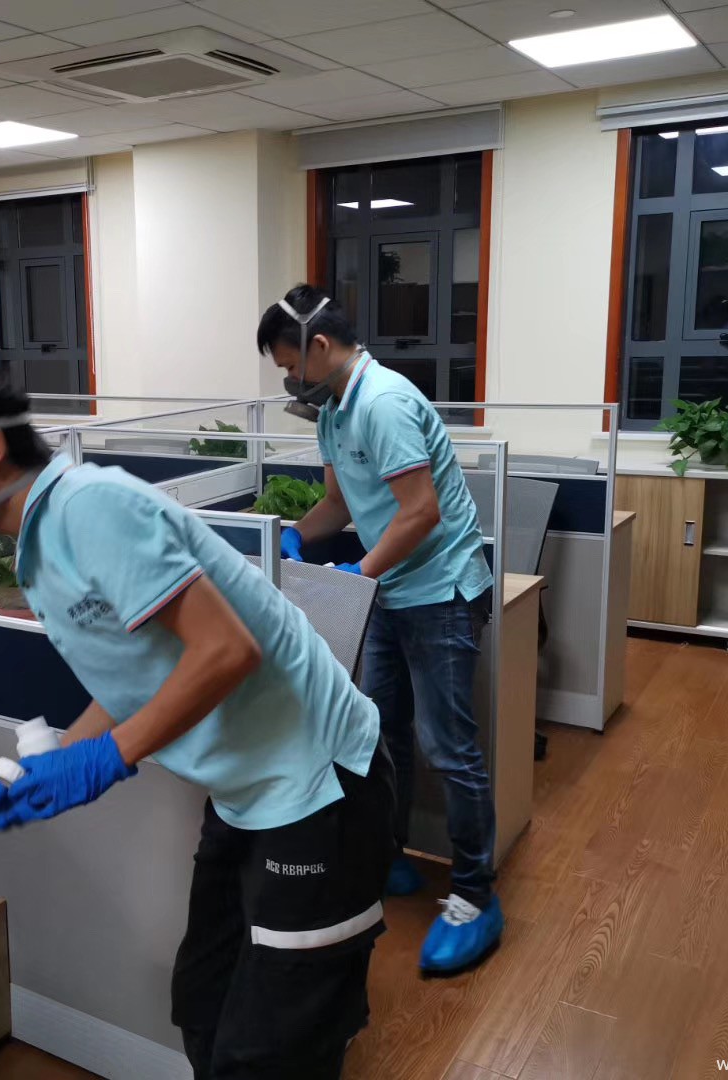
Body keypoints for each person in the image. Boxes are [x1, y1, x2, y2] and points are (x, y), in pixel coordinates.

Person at [0, 367, 395, 1079]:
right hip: (247, 792)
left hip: (320, 782)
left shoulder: (91, 508)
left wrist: (104, 761)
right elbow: (139, 677)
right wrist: (60, 763)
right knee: (203, 1003)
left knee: (272, 1050)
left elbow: (228, 651)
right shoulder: (40, 546)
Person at [256, 284, 502, 974]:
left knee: (448, 748)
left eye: (290, 367)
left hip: (440, 591)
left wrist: (359, 572)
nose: (289, 381)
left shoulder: (384, 402)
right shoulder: (335, 410)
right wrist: (291, 539)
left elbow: (421, 512)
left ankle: (475, 896)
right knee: (381, 731)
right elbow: (339, 503)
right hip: (391, 591)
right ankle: (388, 857)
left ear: (320, 347)